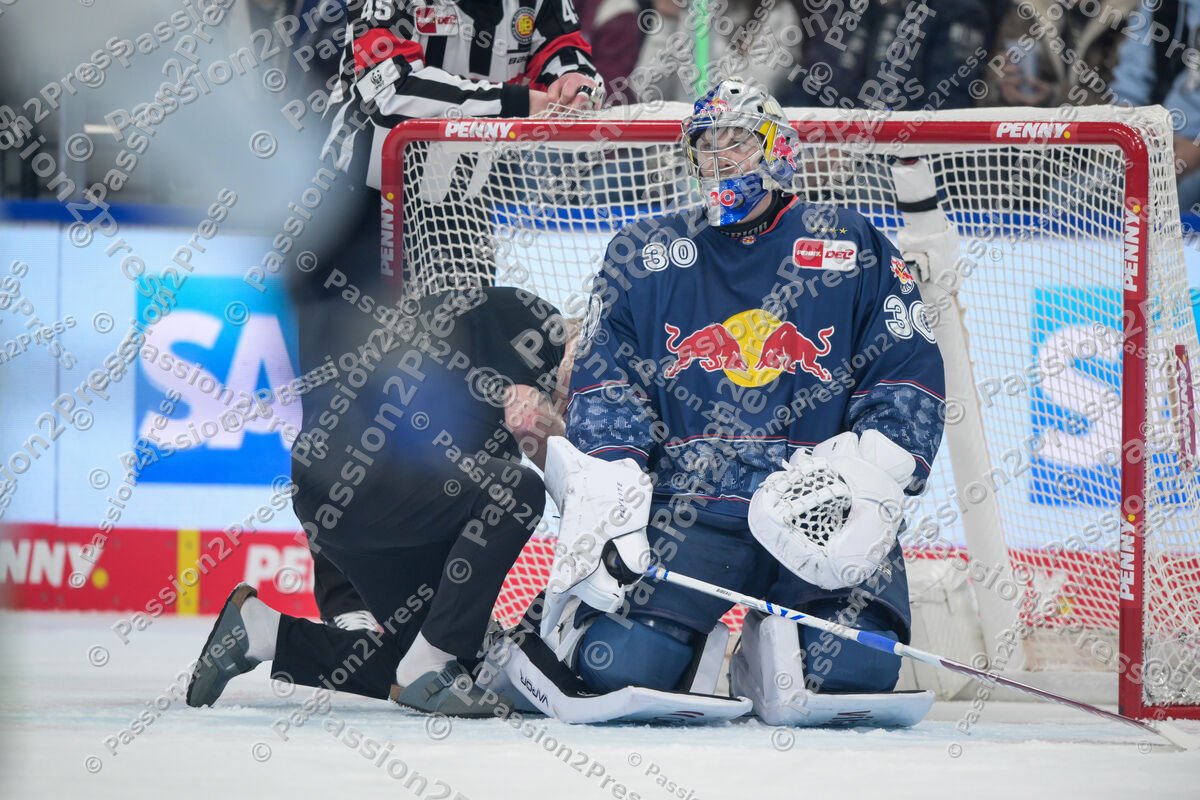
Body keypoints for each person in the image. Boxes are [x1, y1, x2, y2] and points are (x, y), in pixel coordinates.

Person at [489, 79, 946, 725]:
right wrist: (613, 490)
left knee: (852, 672)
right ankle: (685, 646)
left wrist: (867, 478)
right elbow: (609, 383)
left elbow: (907, 373)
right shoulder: (645, 252)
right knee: (619, 664)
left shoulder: (851, 243)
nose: (721, 159)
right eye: (707, 146)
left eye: (739, 142)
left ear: (778, 149)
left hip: (818, 508)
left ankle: (767, 647)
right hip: (690, 511)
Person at [280, 3, 606, 630]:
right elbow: (385, 84)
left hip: (455, 204)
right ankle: (349, 605)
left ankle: (429, 600)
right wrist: (522, 103)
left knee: (465, 398)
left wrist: (573, 80)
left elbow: (559, 42)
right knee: (341, 410)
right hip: (349, 207)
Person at [187, 286, 578, 716]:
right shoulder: (538, 321)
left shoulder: (498, 385)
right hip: (365, 471)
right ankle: (430, 661)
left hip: (348, 498)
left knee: (454, 662)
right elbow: (526, 418)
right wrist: (585, 491)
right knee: (517, 490)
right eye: (587, 388)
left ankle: (264, 633)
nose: (575, 405)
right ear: (582, 337)